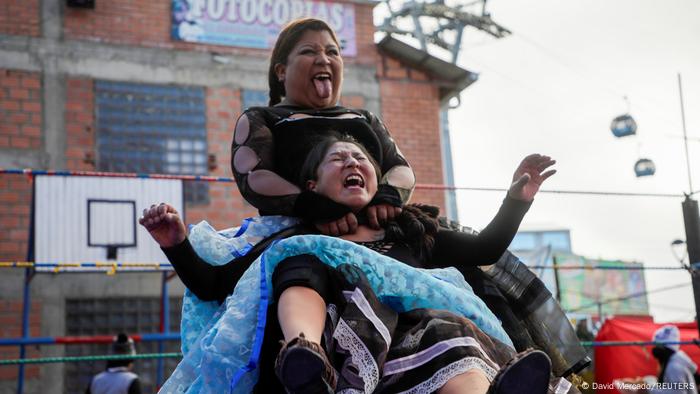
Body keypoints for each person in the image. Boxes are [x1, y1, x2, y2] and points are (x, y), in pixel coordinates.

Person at [141, 135, 558, 393]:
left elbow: (485, 248)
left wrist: (516, 200)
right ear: (312, 186)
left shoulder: (408, 231)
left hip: (430, 346)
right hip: (343, 353)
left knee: (452, 336)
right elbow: (215, 285)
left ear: (377, 182)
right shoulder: (297, 238)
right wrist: (176, 243)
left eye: (361, 159)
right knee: (299, 259)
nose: (353, 163)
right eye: (338, 159)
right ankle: (305, 363)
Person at [231, 17, 414, 233]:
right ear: (281, 71)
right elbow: (253, 176)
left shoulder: (366, 118)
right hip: (299, 238)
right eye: (309, 51)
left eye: (332, 52)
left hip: (378, 232)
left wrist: (388, 195)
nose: (323, 60)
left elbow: (400, 168)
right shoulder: (261, 118)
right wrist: (313, 206)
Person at [618, 325, 698, 394]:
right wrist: (645, 382)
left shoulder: (675, 366)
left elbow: (678, 392)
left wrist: (649, 390)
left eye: (658, 347)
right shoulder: (671, 362)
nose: (655, 350)